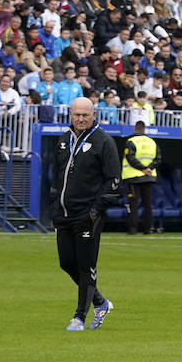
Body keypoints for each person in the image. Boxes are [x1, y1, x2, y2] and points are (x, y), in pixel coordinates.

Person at [49, 97, 121, 331]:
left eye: (85, 115)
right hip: (64, 214)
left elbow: (113, 181)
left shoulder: (104, 142)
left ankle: (79, 317)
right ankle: (100, 302)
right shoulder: (63, 140)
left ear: (93, 115)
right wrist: (53, 206)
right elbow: (57, 177)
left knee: (85, 265)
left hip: (89, 215)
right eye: (77, 114)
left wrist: (94, 211)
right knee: (66, 263)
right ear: (70, 114)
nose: (81, 119)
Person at [121, 119, 160, 235]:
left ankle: (133, 229)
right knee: (147, 204)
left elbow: (130, 158)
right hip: (149, 177)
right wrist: (149, 169)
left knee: (134, 204)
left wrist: (142, 168)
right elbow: (158, 158)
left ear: (134, 128)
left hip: (134, 177)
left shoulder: (131, 141)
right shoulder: (152, 142)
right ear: (144, 129)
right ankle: (148, 229)